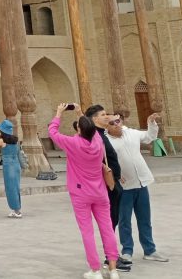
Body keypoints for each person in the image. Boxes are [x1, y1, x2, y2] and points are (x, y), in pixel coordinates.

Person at [50, 104, 120, 279]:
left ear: (79, 129)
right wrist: (80, 112)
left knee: (87, 231)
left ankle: (95, 270)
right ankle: (113, 269)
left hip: (81, 193)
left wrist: (58, 113)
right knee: (107, 229)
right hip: (100, 192)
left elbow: (53, 132)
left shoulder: (73, 143)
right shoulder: (97, 141)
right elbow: (91, 129)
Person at [107, 113, 169, 264]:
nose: (117, 124)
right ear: (106, 126)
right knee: (124, 220)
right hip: (124, 187)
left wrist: (150, 122)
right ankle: (127, 250)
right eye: (112, 123)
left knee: (145, 219)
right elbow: (102, 161)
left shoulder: (131, 133)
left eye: (118, 120)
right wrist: (114, 175)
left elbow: (149, 137)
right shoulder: (105, 141)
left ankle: (150, 250)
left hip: (141, 182)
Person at [86, 104, 128, 273]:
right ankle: (110, 258)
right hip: (106, 185)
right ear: (94, 119)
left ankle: (113, 256)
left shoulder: (101, 134)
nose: (107, 116)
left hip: (113, 181)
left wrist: (117, 174)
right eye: (103, 114)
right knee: (109, 222)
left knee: (113, 220)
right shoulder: (94, 135)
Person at [0, 118, 22, 218]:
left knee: (10, 188)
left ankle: (16, 211)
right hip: (16, 165)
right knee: (16, 187)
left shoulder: (2, 141)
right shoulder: (16, 140)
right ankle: (16, 209)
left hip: (8, 166)